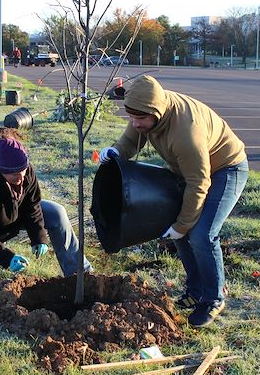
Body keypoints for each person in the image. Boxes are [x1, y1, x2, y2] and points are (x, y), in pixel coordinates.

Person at [98, 75, 249, 327]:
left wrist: (182, 226)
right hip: (193, 170)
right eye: (131, 117)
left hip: (226, 168)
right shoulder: (146, 109)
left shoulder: (185, 132)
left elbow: (199, 183)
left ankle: (213, 298)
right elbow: (130, 140)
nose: (134, 123)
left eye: (140, 119)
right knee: (178, 229)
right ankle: (195, 291)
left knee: (201, 233)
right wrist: (116, 151)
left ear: (156, 113)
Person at [0, 132, 93, 289]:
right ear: (0, 170)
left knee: (56, 212)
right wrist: (7, 258)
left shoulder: (24, 170)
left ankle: (80, 273)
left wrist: (38, 237)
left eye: (23, 171)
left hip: (8, 218)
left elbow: (32, 205)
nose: (22, 178)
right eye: (15, 174)